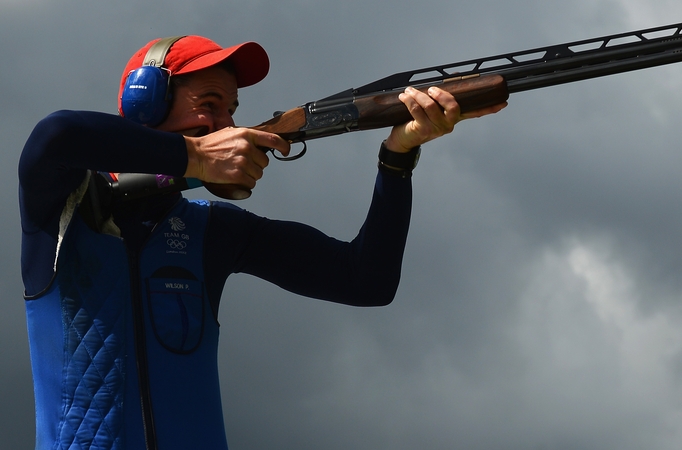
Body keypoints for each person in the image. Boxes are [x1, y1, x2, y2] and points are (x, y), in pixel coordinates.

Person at [18, 35, 505, 450]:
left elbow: (367, 281)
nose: (227, 126)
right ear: (145, 101)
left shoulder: (217, 229)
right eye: (209, 104)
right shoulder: (64, 206)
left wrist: (398, 157)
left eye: (231, 111)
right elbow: (55, 135)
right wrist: (194, 157)